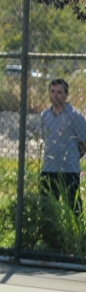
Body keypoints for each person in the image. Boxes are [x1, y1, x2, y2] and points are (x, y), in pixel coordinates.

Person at [36, 78, 86, 214]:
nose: (55, 95)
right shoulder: (44, 115)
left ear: (66, 94)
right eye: (52, 91)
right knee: (47, 207)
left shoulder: (76, 116)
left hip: (69, 170)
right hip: (49, 168)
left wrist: (72, 157)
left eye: (59, 92)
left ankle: (76, 228)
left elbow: (84, 144)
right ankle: (50, 228)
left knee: (73, 207)